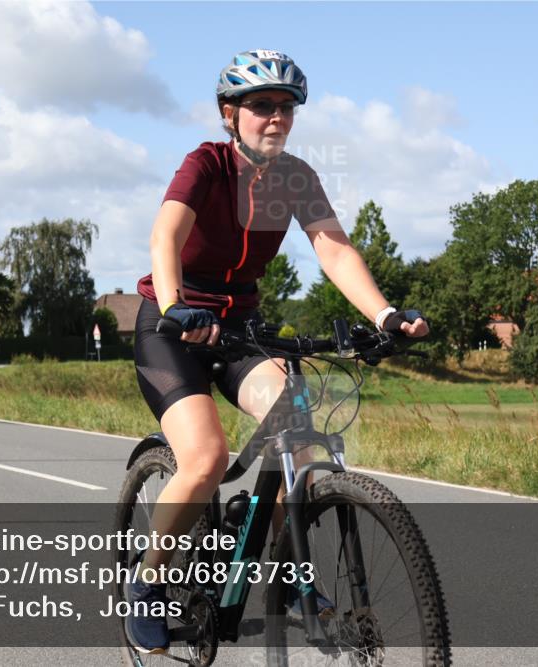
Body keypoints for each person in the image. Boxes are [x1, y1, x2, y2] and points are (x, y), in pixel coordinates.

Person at [127, 49, 429, 654]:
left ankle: (289, 573)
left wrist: (385, 315)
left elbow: (334, 248)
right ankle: (147, 582)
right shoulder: (206, 164)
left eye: (286, 108)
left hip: (241, 329)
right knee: (206, 458)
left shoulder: (296, 177)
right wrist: (175, 304)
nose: (276, 117)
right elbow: (167, 234)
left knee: (297, 426)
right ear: (229, 114)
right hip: (173, 328)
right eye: (261, 105)